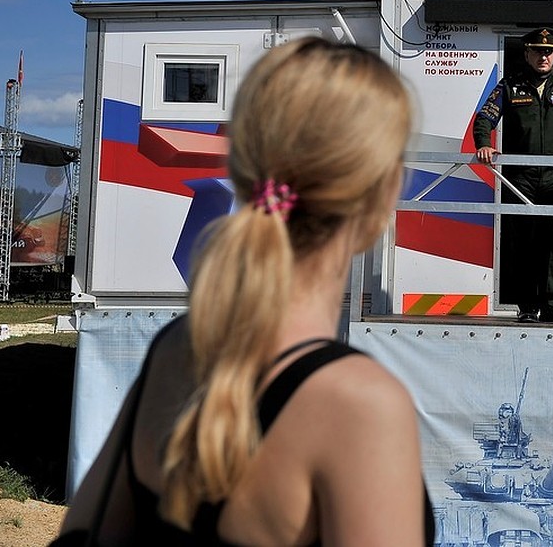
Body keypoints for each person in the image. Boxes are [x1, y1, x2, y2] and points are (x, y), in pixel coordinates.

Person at [57, 37, 433, 546]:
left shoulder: (175, 350)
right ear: (382, 194)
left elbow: (83, 535)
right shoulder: (359, 406)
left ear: (243, 168)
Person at [473, 28, 553, 324]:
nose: (543, 56)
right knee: (523, 242)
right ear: (527, 54)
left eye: (548, 52)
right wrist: (483, 143)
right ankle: (527, 306)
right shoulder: (511, 86)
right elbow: (484, 118)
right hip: (521, 179)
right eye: (537, 51)